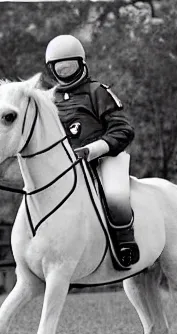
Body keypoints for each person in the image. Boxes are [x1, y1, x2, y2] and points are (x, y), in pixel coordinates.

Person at [45, 34, 139, 268]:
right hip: (65, 166)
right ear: (51, 69)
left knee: (115, 193)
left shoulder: (98, 91)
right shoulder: (48, 99)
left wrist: (93, 150)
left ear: (81, 62)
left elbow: (123, 129)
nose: (65, 71)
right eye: (60, 67)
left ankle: (126, 242)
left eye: (70, 65)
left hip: (102, 159)